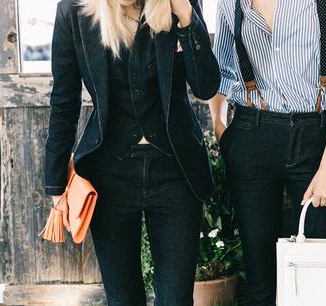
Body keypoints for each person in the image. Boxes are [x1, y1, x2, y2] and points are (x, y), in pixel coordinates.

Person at [44, 0, 220, 305]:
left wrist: (188, 19)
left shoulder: (180, 5)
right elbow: (64, 101)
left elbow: (205, 87)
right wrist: (55, 182)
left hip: (175, 172)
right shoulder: (73, 11)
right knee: (123, 299)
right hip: (108, 176)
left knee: (176, 300)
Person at [209, 0, 326, 304]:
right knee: (259, 278)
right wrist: (218, 123)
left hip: (317, 140)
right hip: (252, 134)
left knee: (319, 275)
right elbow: (222, 66)